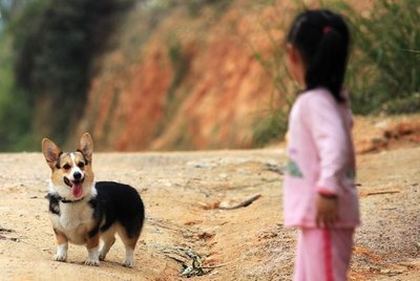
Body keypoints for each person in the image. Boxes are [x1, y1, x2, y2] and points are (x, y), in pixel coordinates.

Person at [283, 9, 360, 281]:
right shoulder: (332, 98)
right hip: (318, 217)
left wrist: (327, 189)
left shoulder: (315, 102)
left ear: (293, 54)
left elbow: (336, 144)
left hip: (326, 214)